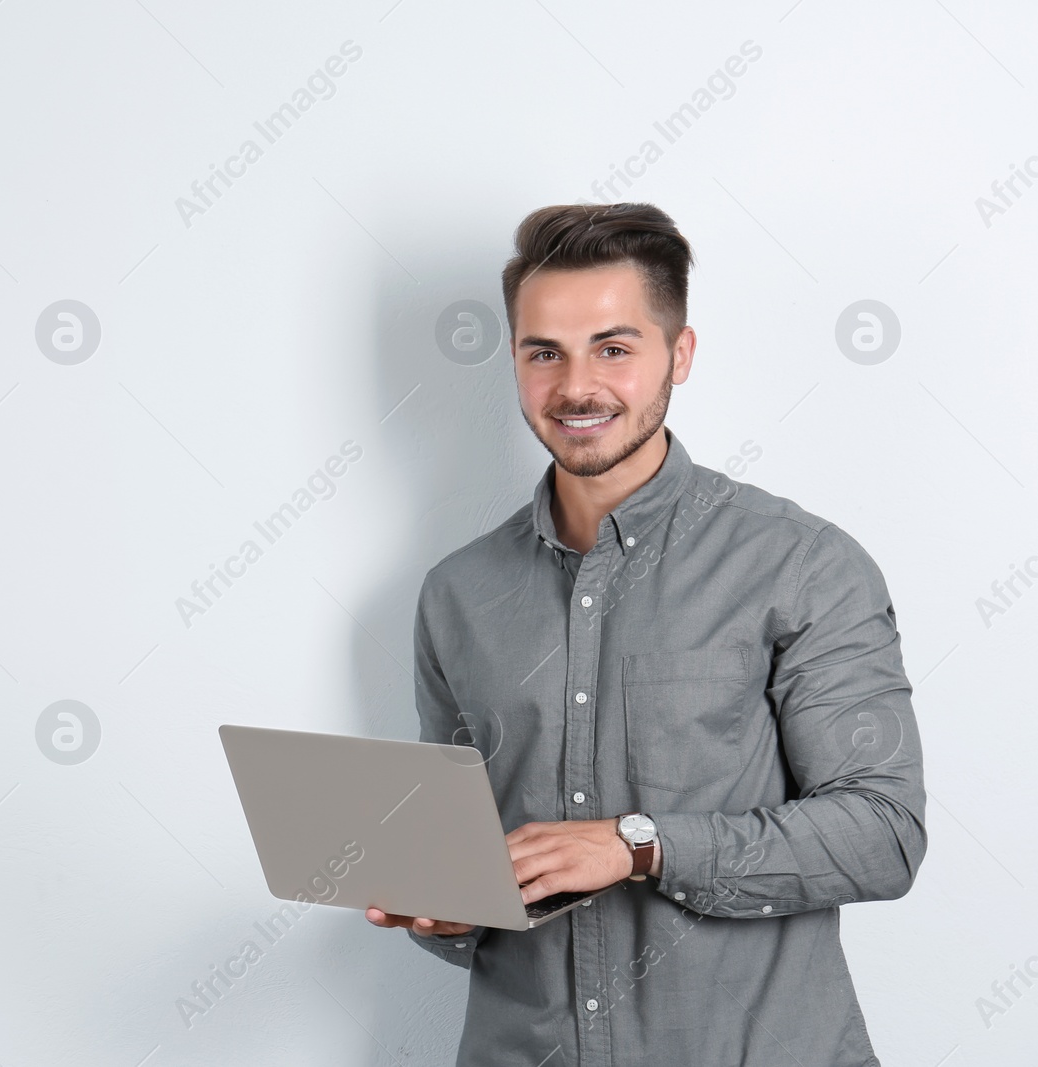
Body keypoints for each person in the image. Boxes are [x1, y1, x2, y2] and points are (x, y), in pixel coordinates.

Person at [366, 202, 926, 1066]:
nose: (576, 385)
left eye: (614, 348)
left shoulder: (802, 565)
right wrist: (441, 910)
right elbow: (468, 873)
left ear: (681, 354)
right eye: (543, 352)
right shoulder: (456, 595)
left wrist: (639, 844)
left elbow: (882, 833)